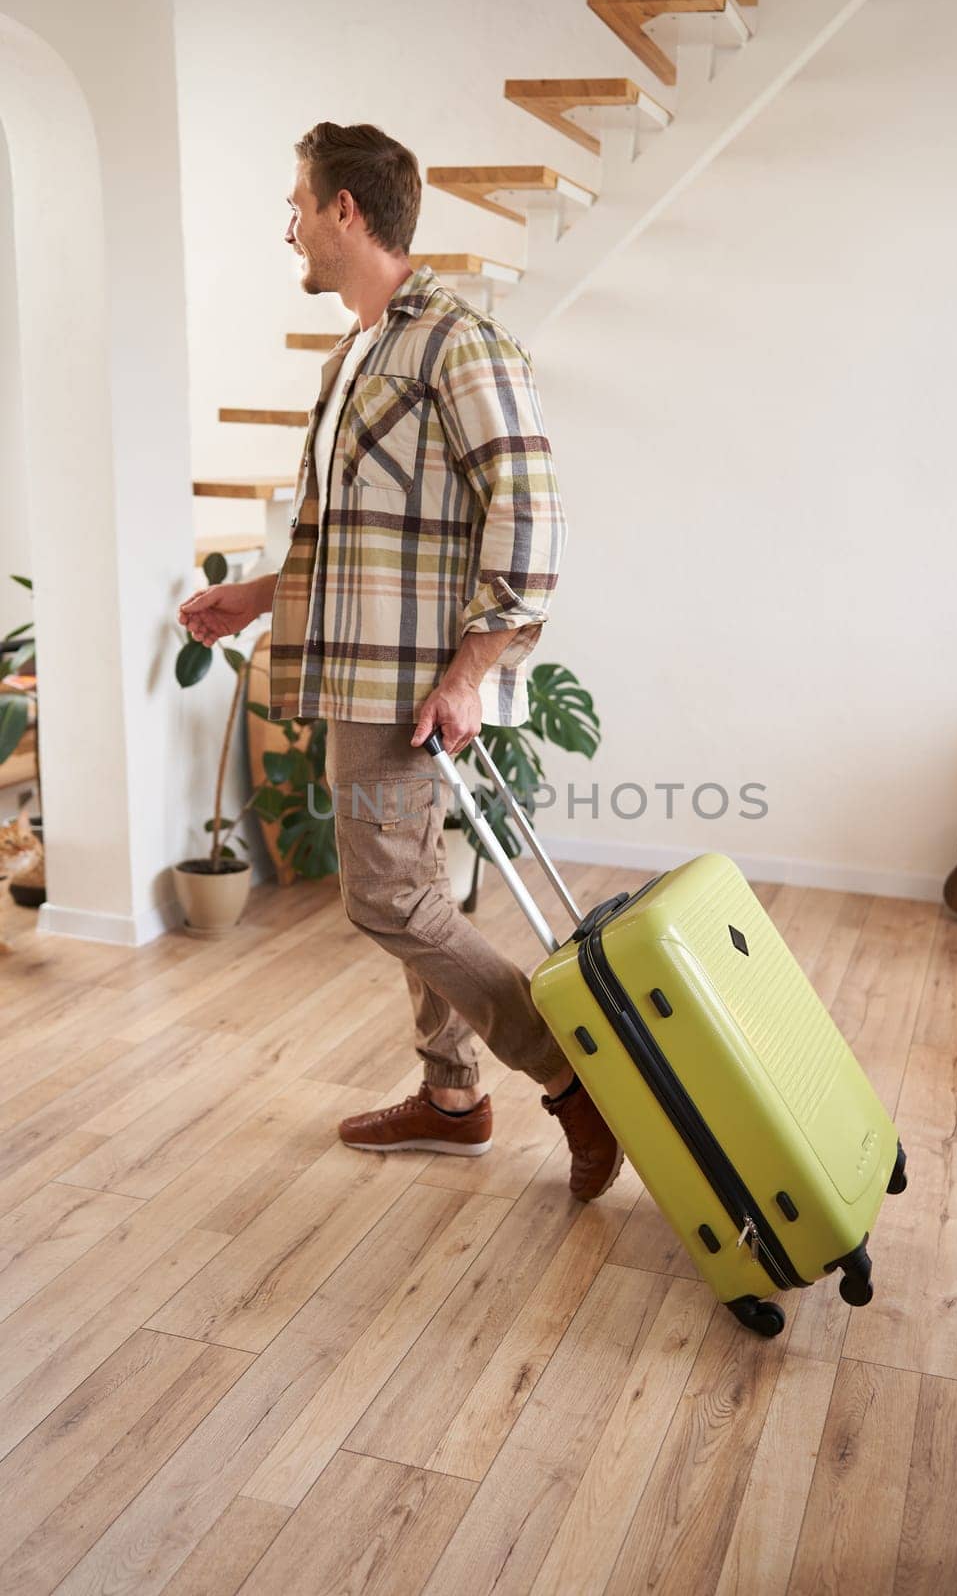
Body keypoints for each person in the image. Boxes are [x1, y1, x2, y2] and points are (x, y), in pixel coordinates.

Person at [177, 121, 621, 1201]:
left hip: (410, 685)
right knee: (413, 887)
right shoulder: (357, 353)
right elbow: (352, 539)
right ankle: (451, 1097)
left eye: (298, 203)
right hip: (362, 666)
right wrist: (257, 594)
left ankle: (566, 1073)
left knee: (384, 902)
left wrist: (470, 671)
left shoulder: (457, 340)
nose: (289, 224)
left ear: (345, 211)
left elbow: (530, 516)